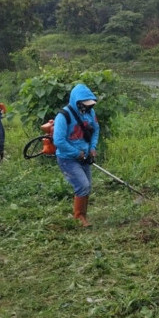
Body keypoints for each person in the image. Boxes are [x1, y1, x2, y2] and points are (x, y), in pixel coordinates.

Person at [53, 84, 100, 227]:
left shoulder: (90, 113)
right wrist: (76, 153)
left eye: (90, 105)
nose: (88, 108)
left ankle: (83, 215)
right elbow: (58, 140)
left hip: (85, 156)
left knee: (87, 186)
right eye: (85, 105)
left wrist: (92, 147)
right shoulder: (63, 116)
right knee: (83, 185)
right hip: (68, 158)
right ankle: (79, 218)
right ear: (77, 102)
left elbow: (96, 130)